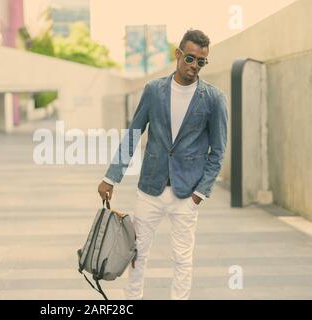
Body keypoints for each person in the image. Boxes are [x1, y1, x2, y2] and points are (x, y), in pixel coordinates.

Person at [97, 29, 228, 300]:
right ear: (178, 54)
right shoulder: (154, 90)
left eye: (201, 62)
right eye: (190, 58)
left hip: (187, 193)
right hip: (150, 189)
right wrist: (111, 177)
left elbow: (218, 151)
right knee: (137, 254)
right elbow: (134, 134)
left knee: (182, 258)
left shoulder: (213, 99)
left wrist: (199, 194)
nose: (195, 66)